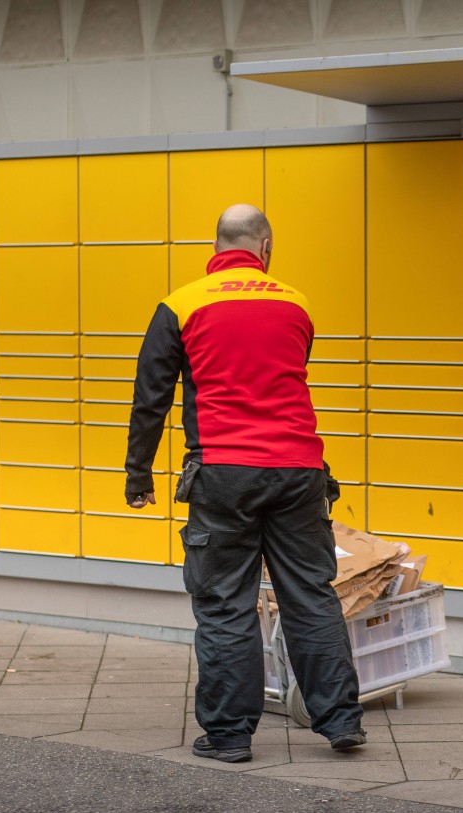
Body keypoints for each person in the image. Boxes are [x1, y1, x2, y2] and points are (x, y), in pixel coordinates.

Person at [124, 204, 365, 763]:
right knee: (309, 594)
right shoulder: (295, 302)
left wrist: (139, 473)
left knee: (225, 602)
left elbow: (151, 397)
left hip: (225, 473)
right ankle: (340, 721)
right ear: (265, 248)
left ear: (215, 247)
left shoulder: (180, 304)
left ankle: (230, 735)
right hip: (300, 471)